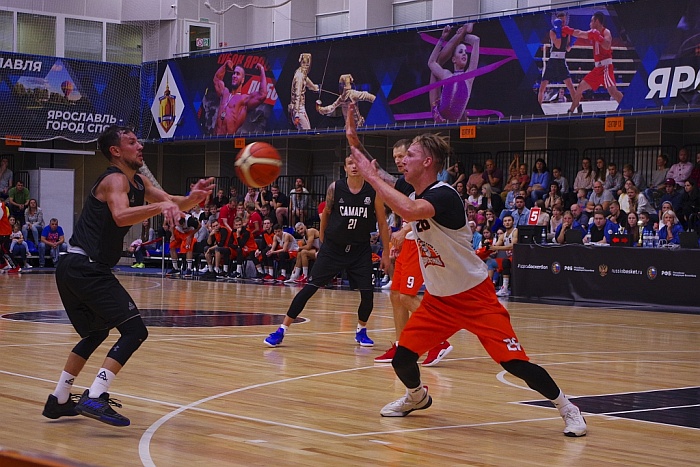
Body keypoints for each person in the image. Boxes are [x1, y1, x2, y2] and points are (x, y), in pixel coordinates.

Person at [346, 125, 586, 437]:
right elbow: (386, 180)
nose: (403, 160)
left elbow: (407, 208)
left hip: (475, 297)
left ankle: (568, 408)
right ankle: (417, 396)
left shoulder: (443, 195)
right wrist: (355, 141)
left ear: (427, 162)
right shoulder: (414, 189)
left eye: (410, 155)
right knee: (402, 359)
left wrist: (370, 176)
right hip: (439, 300)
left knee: (514, 363)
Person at [43, 125, 213, 426]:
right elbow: (121, 216)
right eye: (132, 142)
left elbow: (172, 202)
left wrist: (193, 198)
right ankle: (95, 395)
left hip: (74, 267)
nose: (140, 146)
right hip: (85, 267)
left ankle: (59, 398)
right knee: (135, 331)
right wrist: (160, 206)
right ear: (116, 151)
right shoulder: (115, 179)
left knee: (95, 333)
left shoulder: (138, 181)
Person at [264, 153, 391, 348]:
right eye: (350, 163)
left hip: (359, 250)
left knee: (368, 294)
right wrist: (323, 242)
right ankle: (281, 329)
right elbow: (325, 216)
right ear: (345, 168)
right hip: (334, 248)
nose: (354, 167)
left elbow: (382, 223)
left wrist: (386, 253)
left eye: (357, 163)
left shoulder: (372, 191)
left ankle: (361, 330)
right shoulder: (335, 188)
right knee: (309, 288)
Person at [564, 11, 623, 113]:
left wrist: (599, 37)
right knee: (580, 87)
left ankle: (627, 106)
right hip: (597, 69)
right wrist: (568, 30)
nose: (590, 23)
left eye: (591, 21)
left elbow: (607, 45)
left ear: (597, 21)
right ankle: (571, 111)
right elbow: (580, 33)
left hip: (606, 67)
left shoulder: (606, 32)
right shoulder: (592, 33)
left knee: (613, 92)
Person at [428, 23, 479, 122]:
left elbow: (476, 40)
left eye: (465, 52)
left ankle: (463, 30)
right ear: (454, 59)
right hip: (439, 114)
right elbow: (431, 62)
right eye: (460, 52)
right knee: (438, 62)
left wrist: (463, 35)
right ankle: (463, 30)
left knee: (439, 61)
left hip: (449, 123)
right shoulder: (446, 75)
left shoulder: (469, 77)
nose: (464, 54)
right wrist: (442, 38)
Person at [213, 60, 267, 135]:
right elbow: (216, 79)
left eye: (238, 74)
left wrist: (262, 70)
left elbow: (262, 94)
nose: (234, 76)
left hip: (228, 139)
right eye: (234, 73)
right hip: (213, 138)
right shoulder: (224, 93)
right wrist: (225, 65)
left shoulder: (244, 100)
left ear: (242, 80)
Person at [489, 214, 518, 297]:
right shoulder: (502, 235)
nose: (507, 222)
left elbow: (512, 246)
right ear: (503, 223)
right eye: (505, 221)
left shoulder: (515, 231)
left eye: (509, 220)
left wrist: (496, 247)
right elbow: (495, 247)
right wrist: (488, 247)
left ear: (513, 222)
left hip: (517, 258)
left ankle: (504, 288)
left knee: (505, 262)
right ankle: (489, 286)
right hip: (509, 258)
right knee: (490, 262)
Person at [289, 53, 319, 130]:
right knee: (307, 132)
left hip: (297, 109)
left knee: (303, 132)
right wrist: (297, 114)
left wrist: (315, 87)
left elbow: (308, 82)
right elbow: (297, 95)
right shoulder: (299, 76)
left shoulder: (301, 73)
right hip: (298, 109)